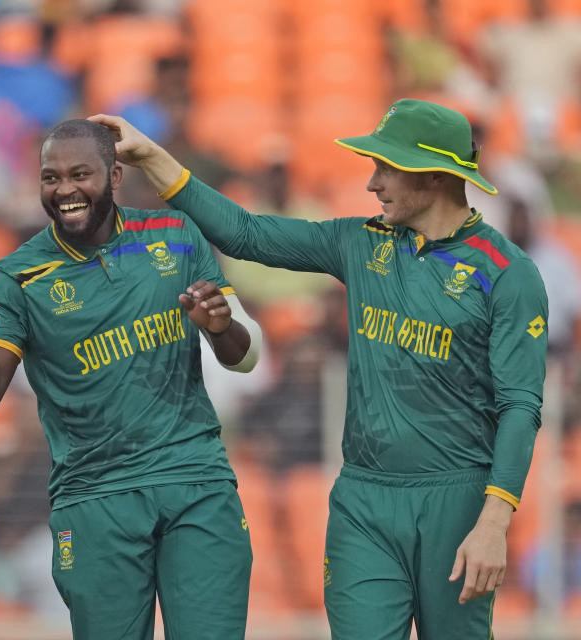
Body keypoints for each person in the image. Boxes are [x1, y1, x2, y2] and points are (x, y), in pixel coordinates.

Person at [90, 98, 549, 639]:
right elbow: (245, 232)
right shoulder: (359, 242)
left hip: (458, 503)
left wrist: (494, 524)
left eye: (387, 168)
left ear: (434, 177)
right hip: (363, 500)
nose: (373, 184)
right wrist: (150, 156)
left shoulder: (507, 274)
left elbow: (520, 406)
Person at [0, 118, 264, 639]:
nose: (65, 190)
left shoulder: (177, 235)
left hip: (194, 482)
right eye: (50, 178)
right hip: (95, 500)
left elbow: (247, 355)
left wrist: (221, 328)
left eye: (80, 174)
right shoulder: (19, 277)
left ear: (115, 175)